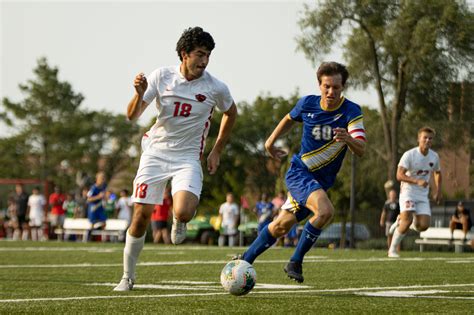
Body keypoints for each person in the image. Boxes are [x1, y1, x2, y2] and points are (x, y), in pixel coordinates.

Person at [114, 26, 237, 291]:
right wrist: (138, 93)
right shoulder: (161, 76)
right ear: (184, 54)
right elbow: (132, 116)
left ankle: (178, 220)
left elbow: (231, 113)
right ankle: (128, 276)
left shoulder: (216, 87)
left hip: (187, 157)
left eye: (208, 56)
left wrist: (217, 149)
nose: (204, 61)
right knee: (141, 216)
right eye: (199, 54)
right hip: (156, 153)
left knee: (184, 211)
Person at [236, 62, 366, 283]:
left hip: (321, 183)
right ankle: (295, 261)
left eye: (336, 87)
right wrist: (269, 142)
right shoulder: (307, 103)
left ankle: (244, 260)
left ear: (343, 87)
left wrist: (349, 139)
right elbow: (289, 119)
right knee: (325, 211)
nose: (331, 92)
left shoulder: (351, 111)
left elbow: (361, 148)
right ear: (319, 85)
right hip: (300, 174)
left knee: (281, 225)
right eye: (326, 86)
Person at [388, 126, 442, 258]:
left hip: (423, 195)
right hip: (408, 192)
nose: (428, 140)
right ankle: (392, 250)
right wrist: (416, 181)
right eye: (425, 137)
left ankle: (402, 220)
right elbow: (399, 175)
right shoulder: (409, 155)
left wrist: (438, 191)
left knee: (423, 226)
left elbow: (438, 172)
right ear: (419, 139)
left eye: (430, 138)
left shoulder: (434, 156)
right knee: (407, 221)